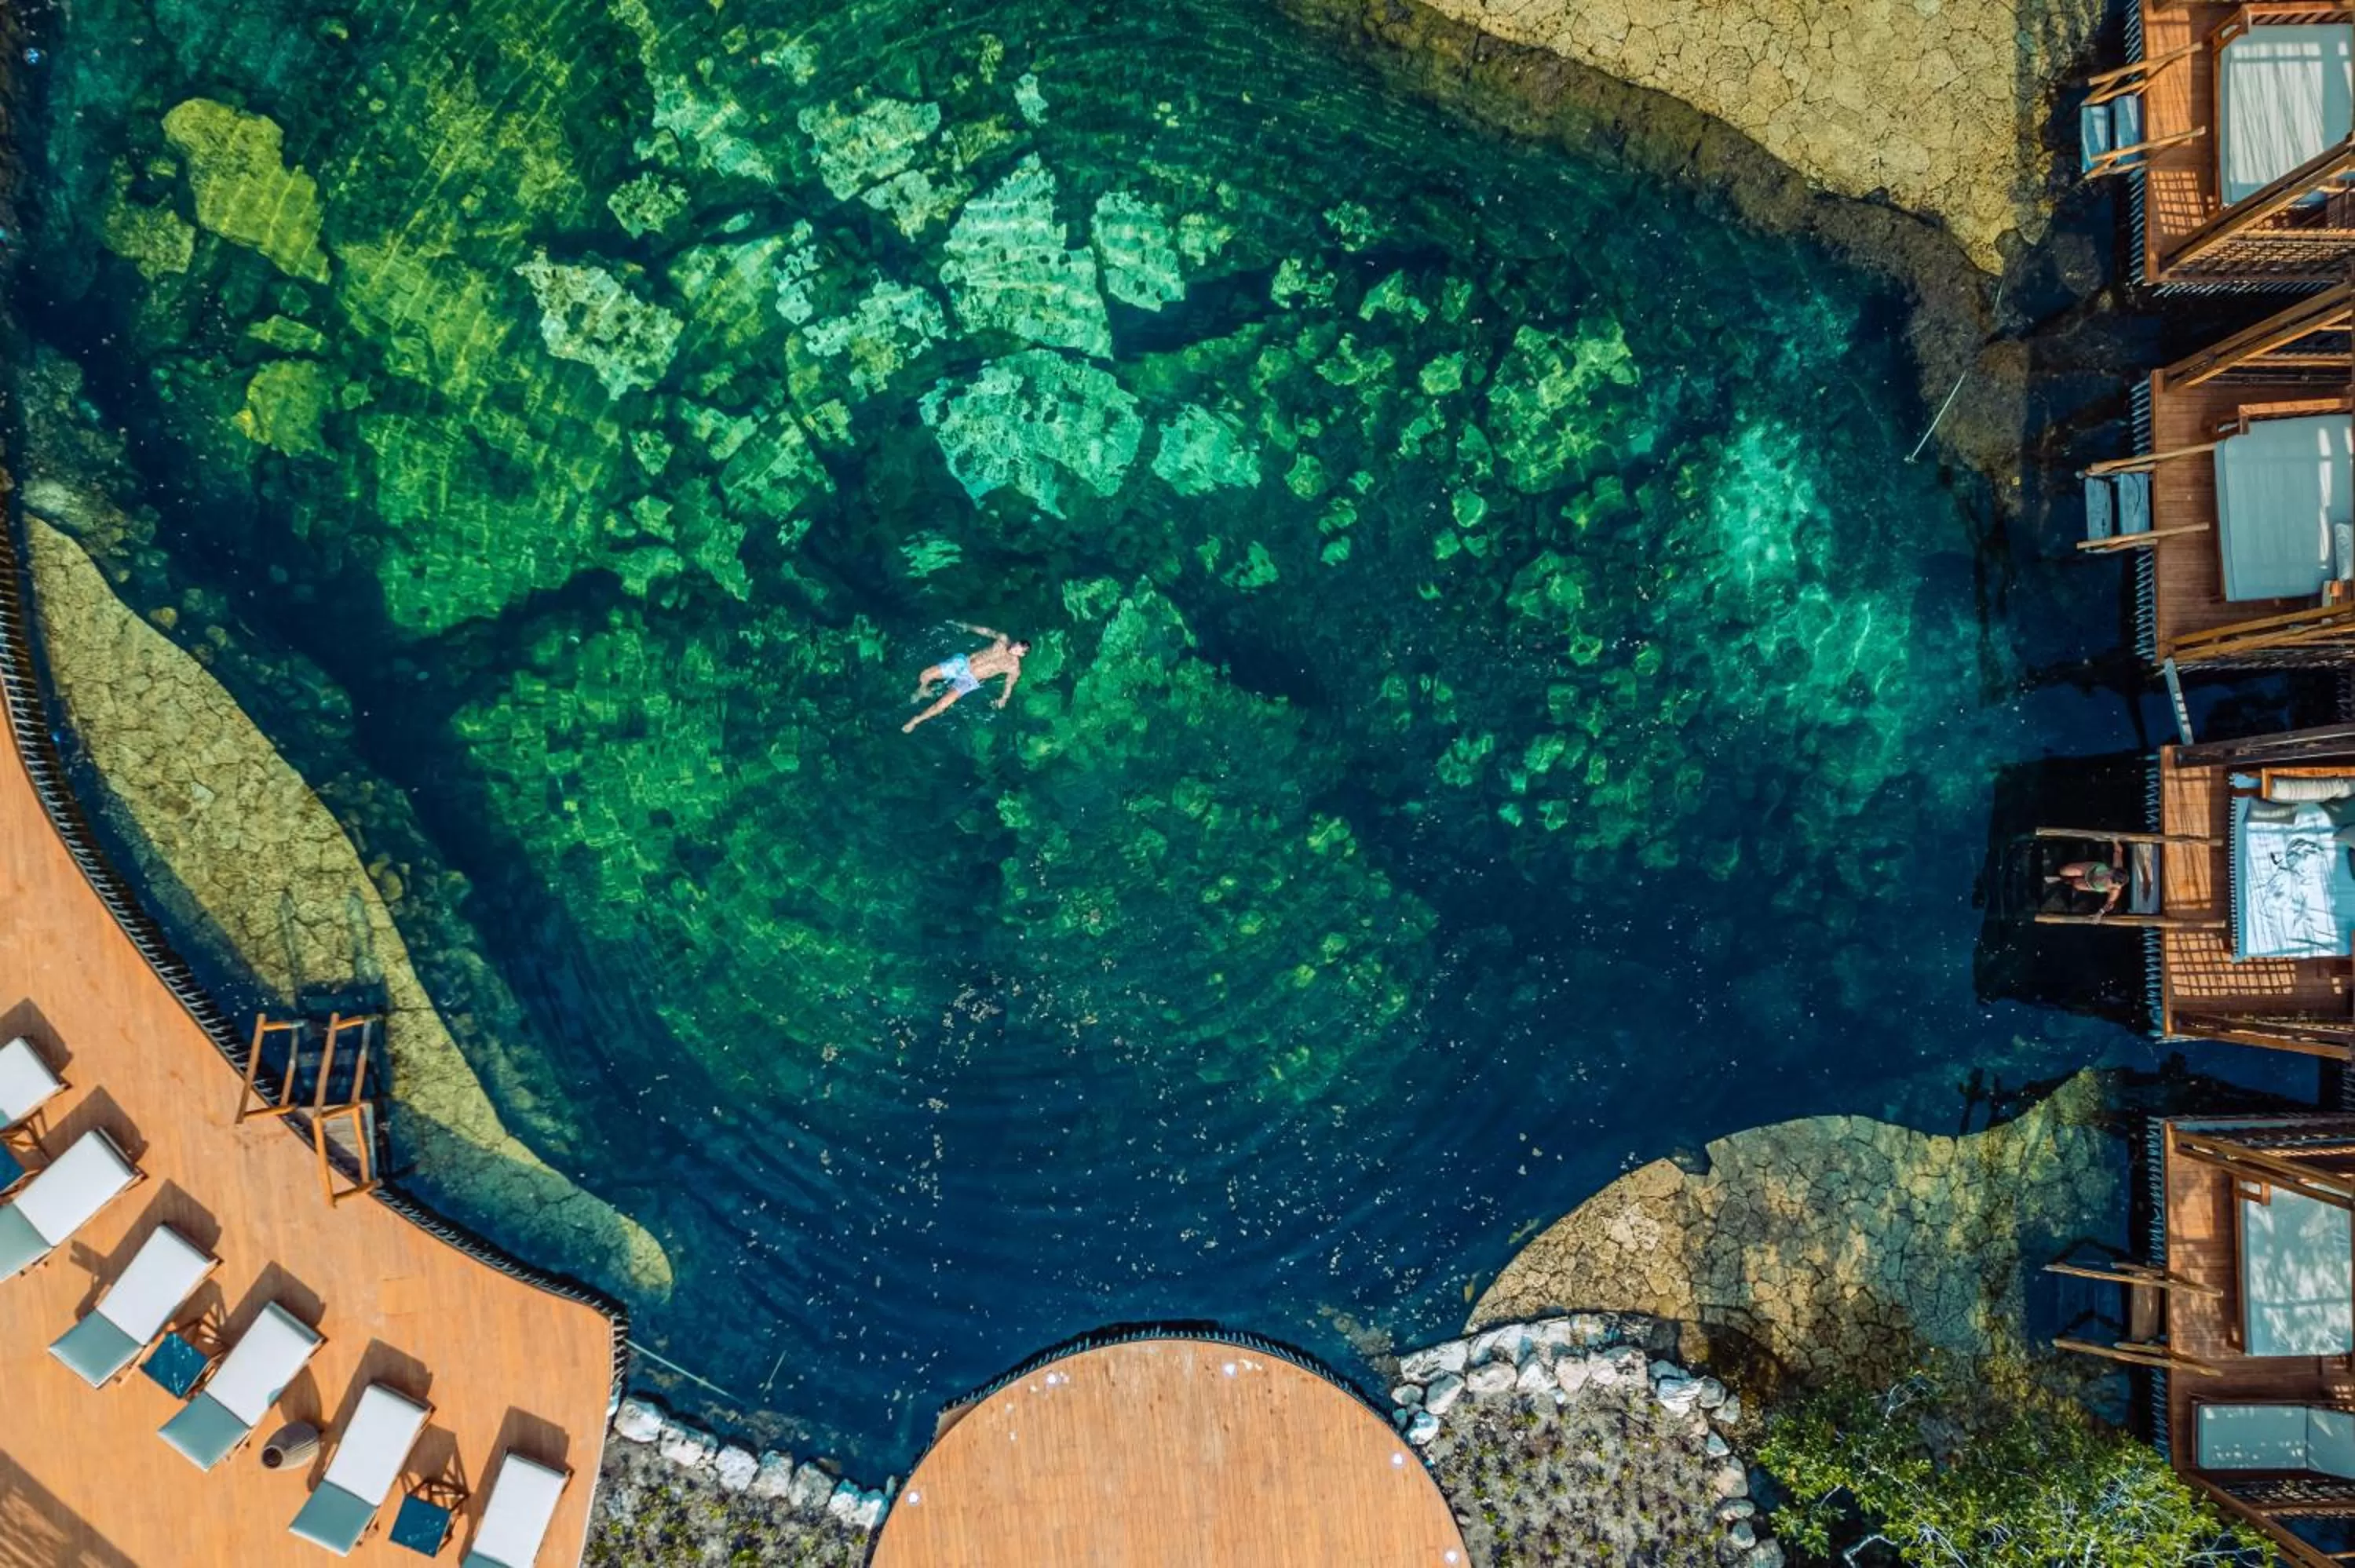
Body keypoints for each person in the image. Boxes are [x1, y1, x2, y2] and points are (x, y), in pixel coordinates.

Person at [904, 623, 1029, 733]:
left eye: (1018, 649)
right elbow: (986, 631)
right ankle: (922, 690)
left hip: (969, 680)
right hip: (963, 664)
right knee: (926, 674)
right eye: (1017, 644)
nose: (1014, 648)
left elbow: (1009, 684)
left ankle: (916, 720)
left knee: (943, 703)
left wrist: (1003, 699)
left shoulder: (1014, 668)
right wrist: (966, 626)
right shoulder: (1003, 639)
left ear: (1022, 655)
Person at [2046, 839, 2127, 915]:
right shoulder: (2118, 866)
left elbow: (2109, 904)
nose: (2108, 875)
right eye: (2111, 873)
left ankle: (2061, 879)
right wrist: (2115, 840)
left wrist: (2100, 913)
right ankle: (2060, 871)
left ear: (2115, 883)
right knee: (2063, 870)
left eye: (2111, 878)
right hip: (2092, 869)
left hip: (2091, 884)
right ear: (2114, 870)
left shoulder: (2115, 890)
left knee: (2075, 884)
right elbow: (2118, 851)